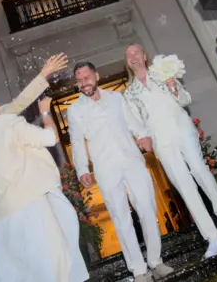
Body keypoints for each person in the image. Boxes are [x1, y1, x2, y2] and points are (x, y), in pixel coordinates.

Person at [0, 54, 89, 282]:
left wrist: (43, 75)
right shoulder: (4, 123)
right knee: (54, 262)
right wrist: (46, 113)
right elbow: (49, 138)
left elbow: (19, 103)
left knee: (19, 272)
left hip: (1, 218)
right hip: (30, 206)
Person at [123, 44, 217, 258]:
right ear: (127, 62)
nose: (133, 57)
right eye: (129, 55)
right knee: (185, 187)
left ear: (144, 55)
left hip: (183, 130)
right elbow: (135, 122)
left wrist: (174, 88)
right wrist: (143, 137)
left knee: (199, 169)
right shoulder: (129, 93)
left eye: (136, 52)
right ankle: (212, 237)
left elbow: (185, 99)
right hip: (162, 142)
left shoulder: (161, 71)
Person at [67, 62, 174, 282]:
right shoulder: (75, 109)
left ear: (96, 76)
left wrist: (143, 135)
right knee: (120, 216)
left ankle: (156, 261)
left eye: (87, 77)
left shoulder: (116, 98)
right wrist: (81, 169)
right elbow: (77, 142)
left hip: (131, 159)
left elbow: (132, 122)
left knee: (146, 206)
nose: (83, 82)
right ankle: (138, 270)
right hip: (105, 167)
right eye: (79, 79)